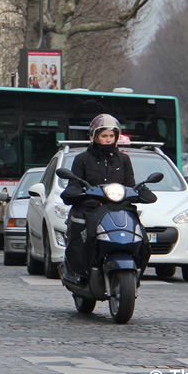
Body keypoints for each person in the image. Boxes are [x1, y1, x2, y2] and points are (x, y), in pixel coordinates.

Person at [60, 114, 135, 284]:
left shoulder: (124, 159)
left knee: (139, 231)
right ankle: (81, 272)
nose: (108, 139)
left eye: (111, 136)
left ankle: (137, 264)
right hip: (91, 208)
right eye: (104, 136)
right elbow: (74, 184)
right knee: (84, 237)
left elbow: (131, 184)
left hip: (118, 209)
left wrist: (140, 192)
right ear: (95, 136)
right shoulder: (82, 159)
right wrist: (76, 193)